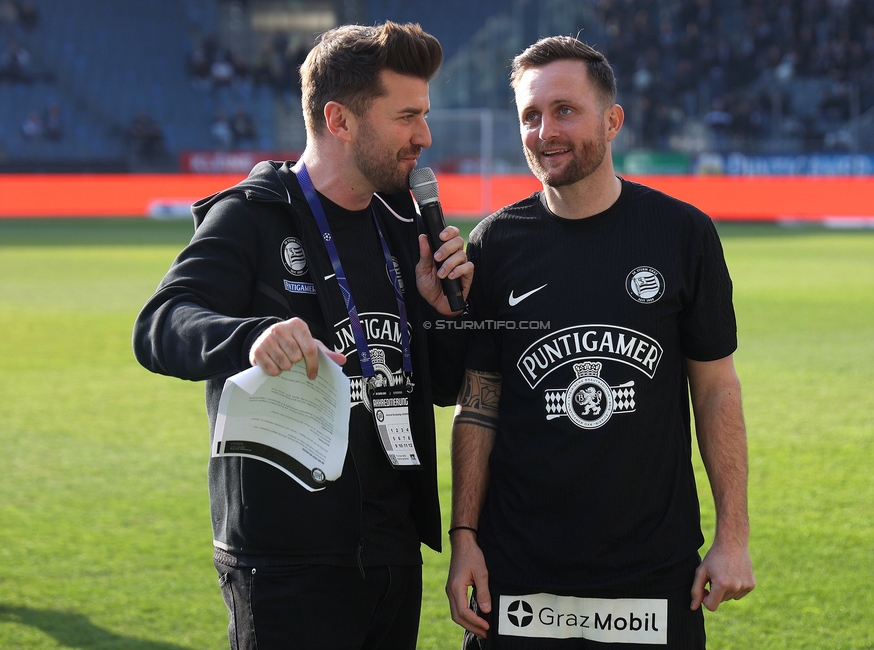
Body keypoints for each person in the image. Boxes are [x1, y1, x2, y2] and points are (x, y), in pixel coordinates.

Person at [133, 21, 472, 649]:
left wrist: (446, 315)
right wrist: (250, 338)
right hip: (285, 560)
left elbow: (445, 386)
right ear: (340, 120)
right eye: (406, 117)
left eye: (423, 116)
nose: (424, 137)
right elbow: (160, 323)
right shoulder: (251, 217)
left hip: (393, 551)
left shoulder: (404, 227)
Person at [446, 36, 754, 648]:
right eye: (530, 116)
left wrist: (733, 537)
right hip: (519, 571)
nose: (544, 131)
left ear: (612, 120)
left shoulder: (682, 235)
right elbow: (478, 404)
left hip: (652, 573)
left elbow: (716, 389)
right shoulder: (494, 245)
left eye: (565, 110)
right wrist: (464, 539)